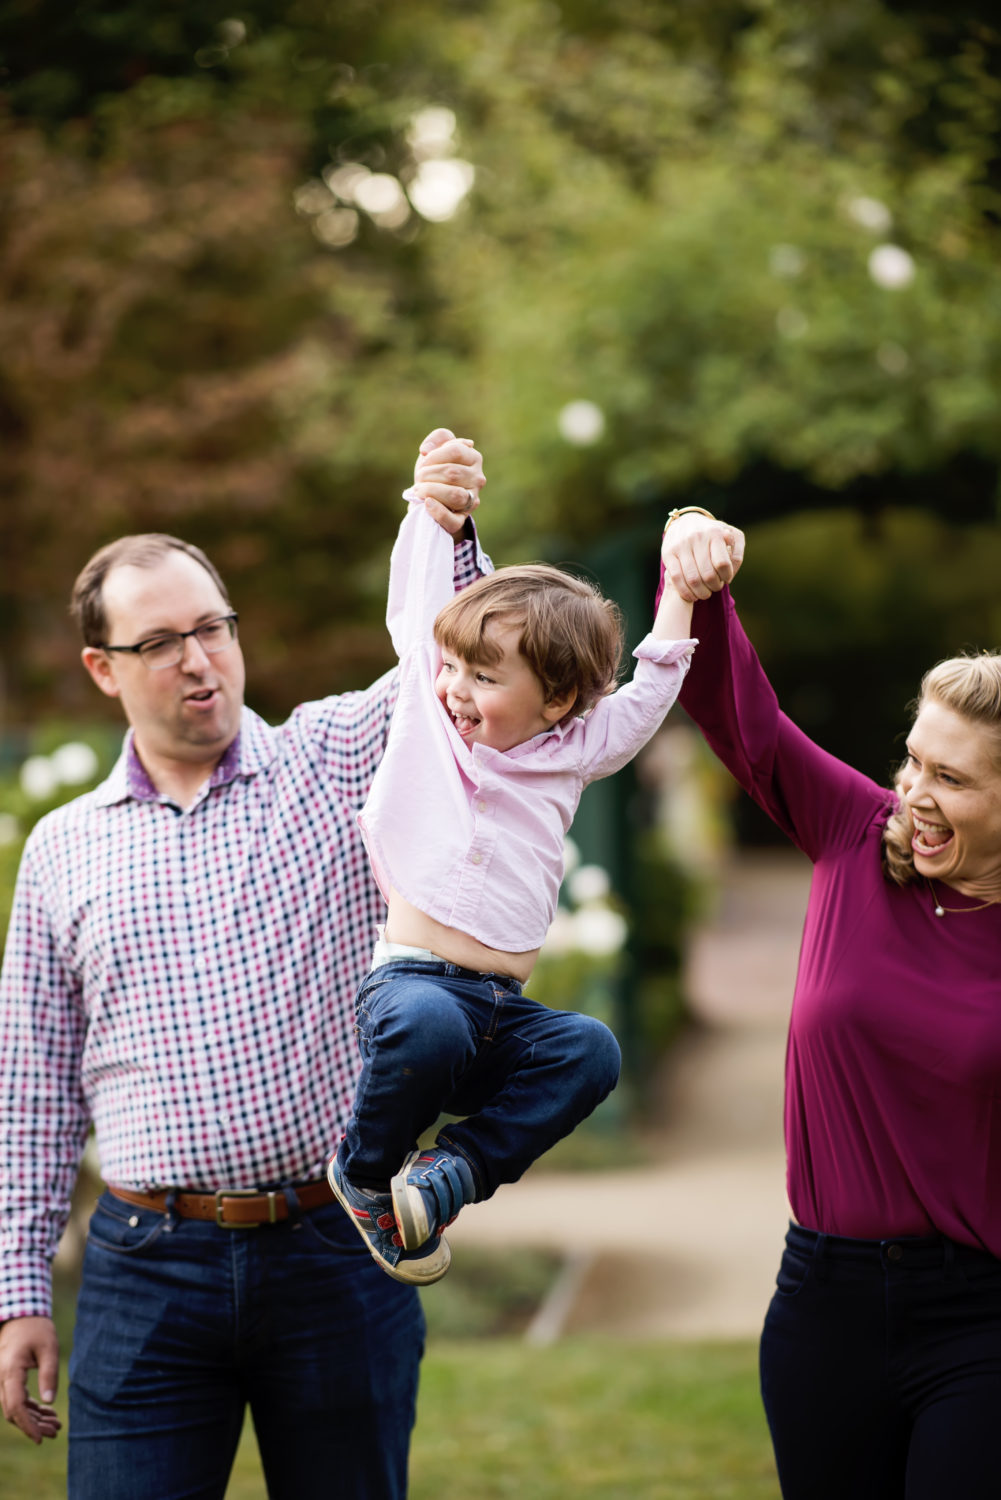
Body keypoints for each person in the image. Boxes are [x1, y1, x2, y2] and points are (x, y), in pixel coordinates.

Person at [0, 432, 485, 1500]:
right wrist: (18, 1289)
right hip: (142, 1265)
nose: (198, 659)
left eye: (212, 628)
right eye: (161, 641)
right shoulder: (62, 850)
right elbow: (32, 1092)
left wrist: (444, 530)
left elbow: (452, 668)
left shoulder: (334, 759)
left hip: (334, 1248)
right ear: (102, 669)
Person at [661, 505, 1001, 1500]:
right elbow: (740, 718)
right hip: (823, 1301)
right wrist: (694, 565)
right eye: (911, 761)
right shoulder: (856, 837)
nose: (914, 794)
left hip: (982, 1319)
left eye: (951, 779)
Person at [326, 452, 699, 1284]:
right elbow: (419, 601)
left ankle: (450, 1172)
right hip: (415, 991)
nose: (457, 688)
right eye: (454, 666)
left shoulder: (575, 752)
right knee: (431, 1025)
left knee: (591, 1051)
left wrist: (679, 591)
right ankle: (363, 1171)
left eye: (485, 677)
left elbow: (647, 692)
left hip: (502, 1012)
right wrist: (433, 507)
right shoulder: (428, 709)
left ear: (559, 701)